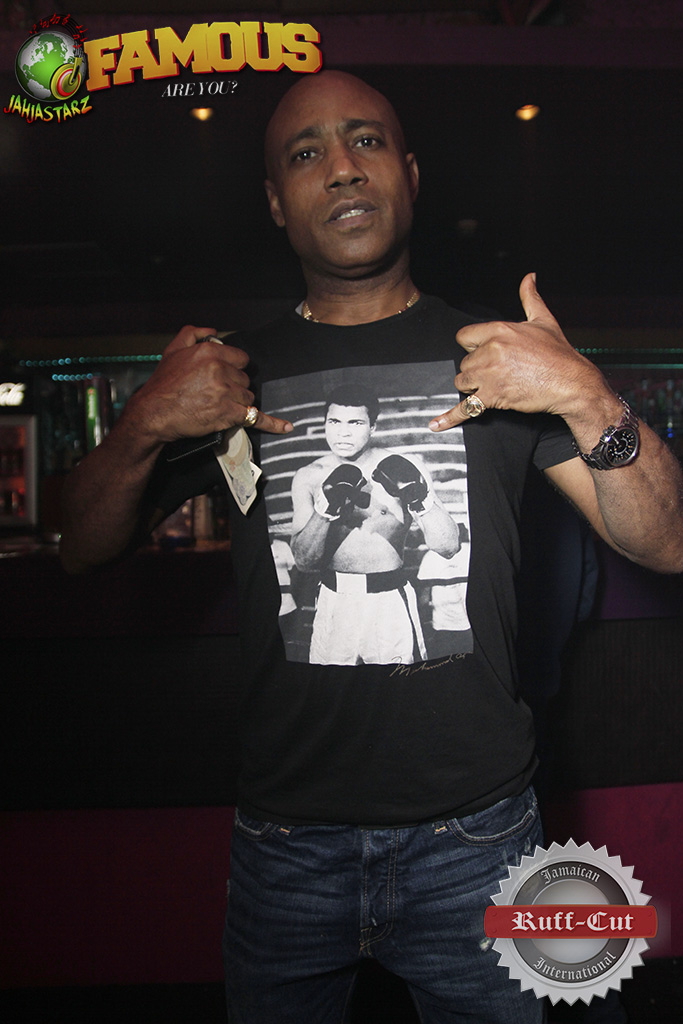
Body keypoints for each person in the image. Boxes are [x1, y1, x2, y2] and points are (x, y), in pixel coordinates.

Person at [59, 70, 683, 1024]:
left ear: (410, 175)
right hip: (285, 843)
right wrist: (144, 420)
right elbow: (81, 547)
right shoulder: (232, 376)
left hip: (479, 838)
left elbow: (668, 544)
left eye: (366, 140)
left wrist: (585, 395)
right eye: (305, 153)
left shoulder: (496, 359)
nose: (342, 168)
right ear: (276, 201)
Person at [290, 382, 459, 665]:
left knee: (397, 687)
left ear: (373, 427)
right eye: (334, 422)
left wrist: (420, 499)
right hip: (334, 600)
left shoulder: (406, 466)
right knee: (332, 687)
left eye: (355, 423)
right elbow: (304, 562)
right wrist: (324, 510)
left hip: (389, 600)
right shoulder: (309, 476)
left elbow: (449, 547)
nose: (343, 432)